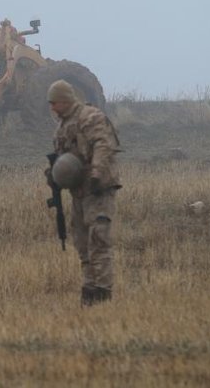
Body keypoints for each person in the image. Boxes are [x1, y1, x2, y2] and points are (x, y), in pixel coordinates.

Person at [48, 79, 122, 306]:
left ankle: (103, 291)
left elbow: (103, 145)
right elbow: (63, 158)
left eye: (55, 103)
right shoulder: (62, 126)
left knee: (98, 238)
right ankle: (89, 291)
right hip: (78, 191)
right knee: (82, 242)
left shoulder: (90, 117)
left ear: (65, 100)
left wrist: (97, 172)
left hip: (97, 189)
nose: (52, 108)